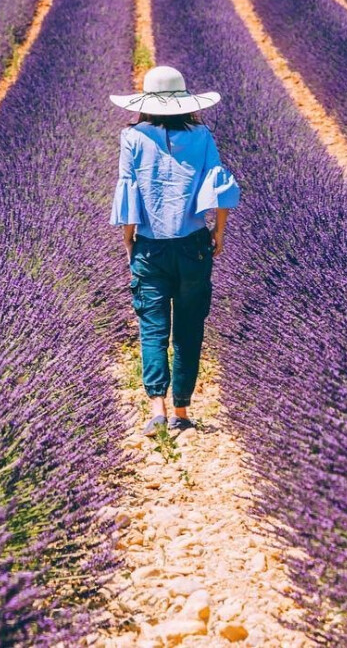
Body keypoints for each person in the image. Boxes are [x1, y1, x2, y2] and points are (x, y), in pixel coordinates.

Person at [110, 65, 240, 435]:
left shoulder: (132, 137)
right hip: (193, 246)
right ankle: (182, 413)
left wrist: (129, 242)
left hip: (150, 248)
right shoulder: (202, 135)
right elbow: (219, 186)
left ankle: (157, 410)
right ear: (185, 102)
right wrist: (219, 234)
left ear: (147, 102)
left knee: (152, 329)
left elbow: (128, 190)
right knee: (188, 328)